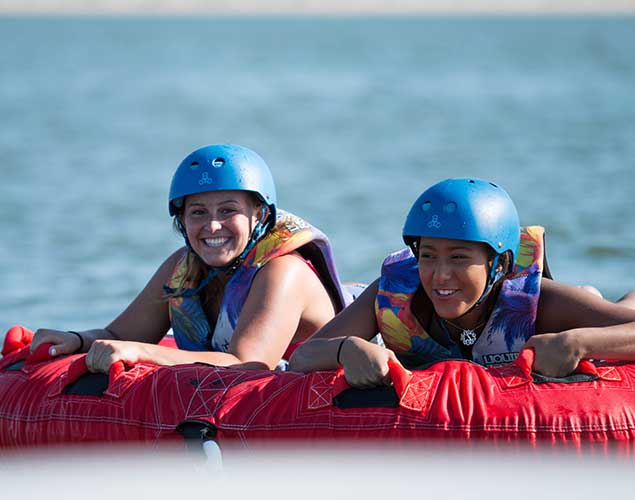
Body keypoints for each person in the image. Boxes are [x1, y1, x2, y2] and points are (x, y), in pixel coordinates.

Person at [31, 144, 354, 372]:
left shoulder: (284, 271)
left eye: (228, 210)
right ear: (181, 220)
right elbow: (119, 337)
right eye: (198, 212)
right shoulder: (181, 267)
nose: (212, 225)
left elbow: (248, 365)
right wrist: (76, 340)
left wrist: (143, 353)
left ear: (259, 215)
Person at [289, 178, 635, 385]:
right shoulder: (393, 296)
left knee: (605, 309)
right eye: (427, 255)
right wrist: (344, 348)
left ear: (499, 264)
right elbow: (303, 358)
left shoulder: (537, 302)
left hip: (572, 316)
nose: (440, 275)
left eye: (458, 258)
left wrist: (578, 342)